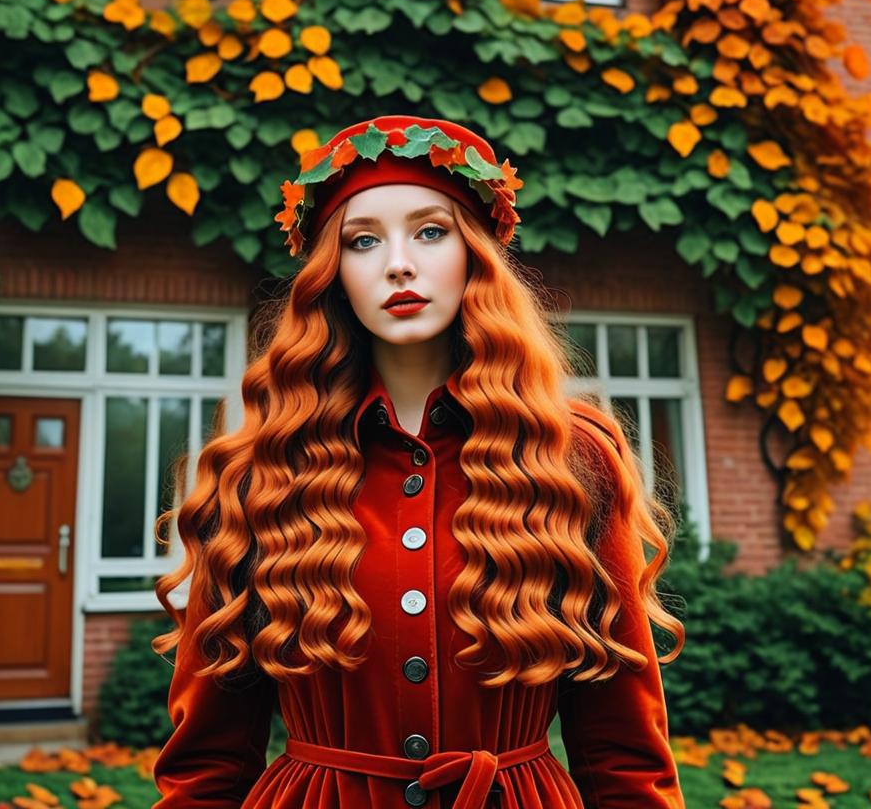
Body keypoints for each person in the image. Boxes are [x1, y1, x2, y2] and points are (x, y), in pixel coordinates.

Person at [149, 114, 687, 809]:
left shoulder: (570, 456)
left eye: (430, 232)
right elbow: (207, 762)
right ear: (332, 273)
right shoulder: (263, 469)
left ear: (475, 254)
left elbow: (623, 750)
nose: (398, 262)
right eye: (363, 240)